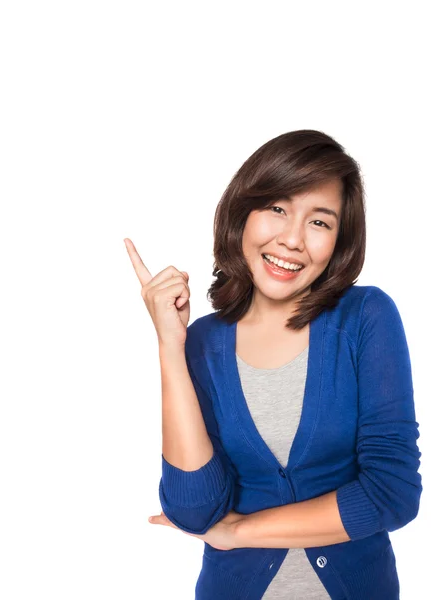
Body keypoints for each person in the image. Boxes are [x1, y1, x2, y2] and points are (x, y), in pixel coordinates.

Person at [125, 129, 423, 599]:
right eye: (278, 209)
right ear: (244, 212)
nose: (291, 240)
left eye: (319, 222)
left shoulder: (366, 318)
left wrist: (241, 532)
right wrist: (170, 345)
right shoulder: (202, 342)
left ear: (339, 242)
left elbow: (392, 493)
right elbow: (194, 509)